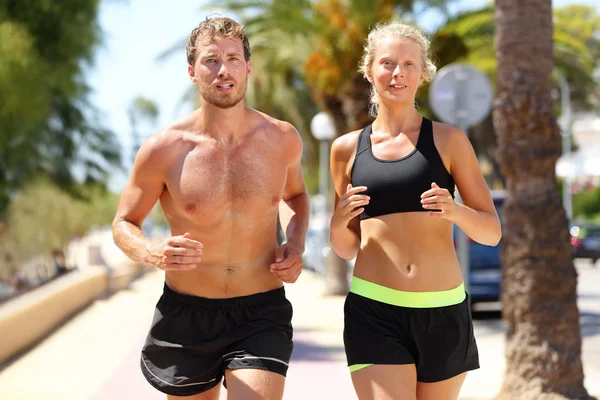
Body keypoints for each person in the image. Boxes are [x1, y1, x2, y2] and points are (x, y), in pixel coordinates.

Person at [112, 16, 309, 400]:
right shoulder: (163, 149)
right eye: (211, 60)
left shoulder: (282, 139)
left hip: (260, 311)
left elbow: (298, 198)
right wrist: (151, 251)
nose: (224, 70)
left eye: (234, 59)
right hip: (186, 315)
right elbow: (124, 223)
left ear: (249, 68)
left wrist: (296, 244)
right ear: (192, 71)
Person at [329, 21, 502, 400]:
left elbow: (491, 232)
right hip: (375, 311)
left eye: (409, 64)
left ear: (422, 74)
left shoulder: (449, 141)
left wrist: (455, 211)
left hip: (443, 312)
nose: (398, 73)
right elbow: (346, 247)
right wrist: (339, 221)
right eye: (388, 63)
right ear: (369, 70)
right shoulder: (345, 149)